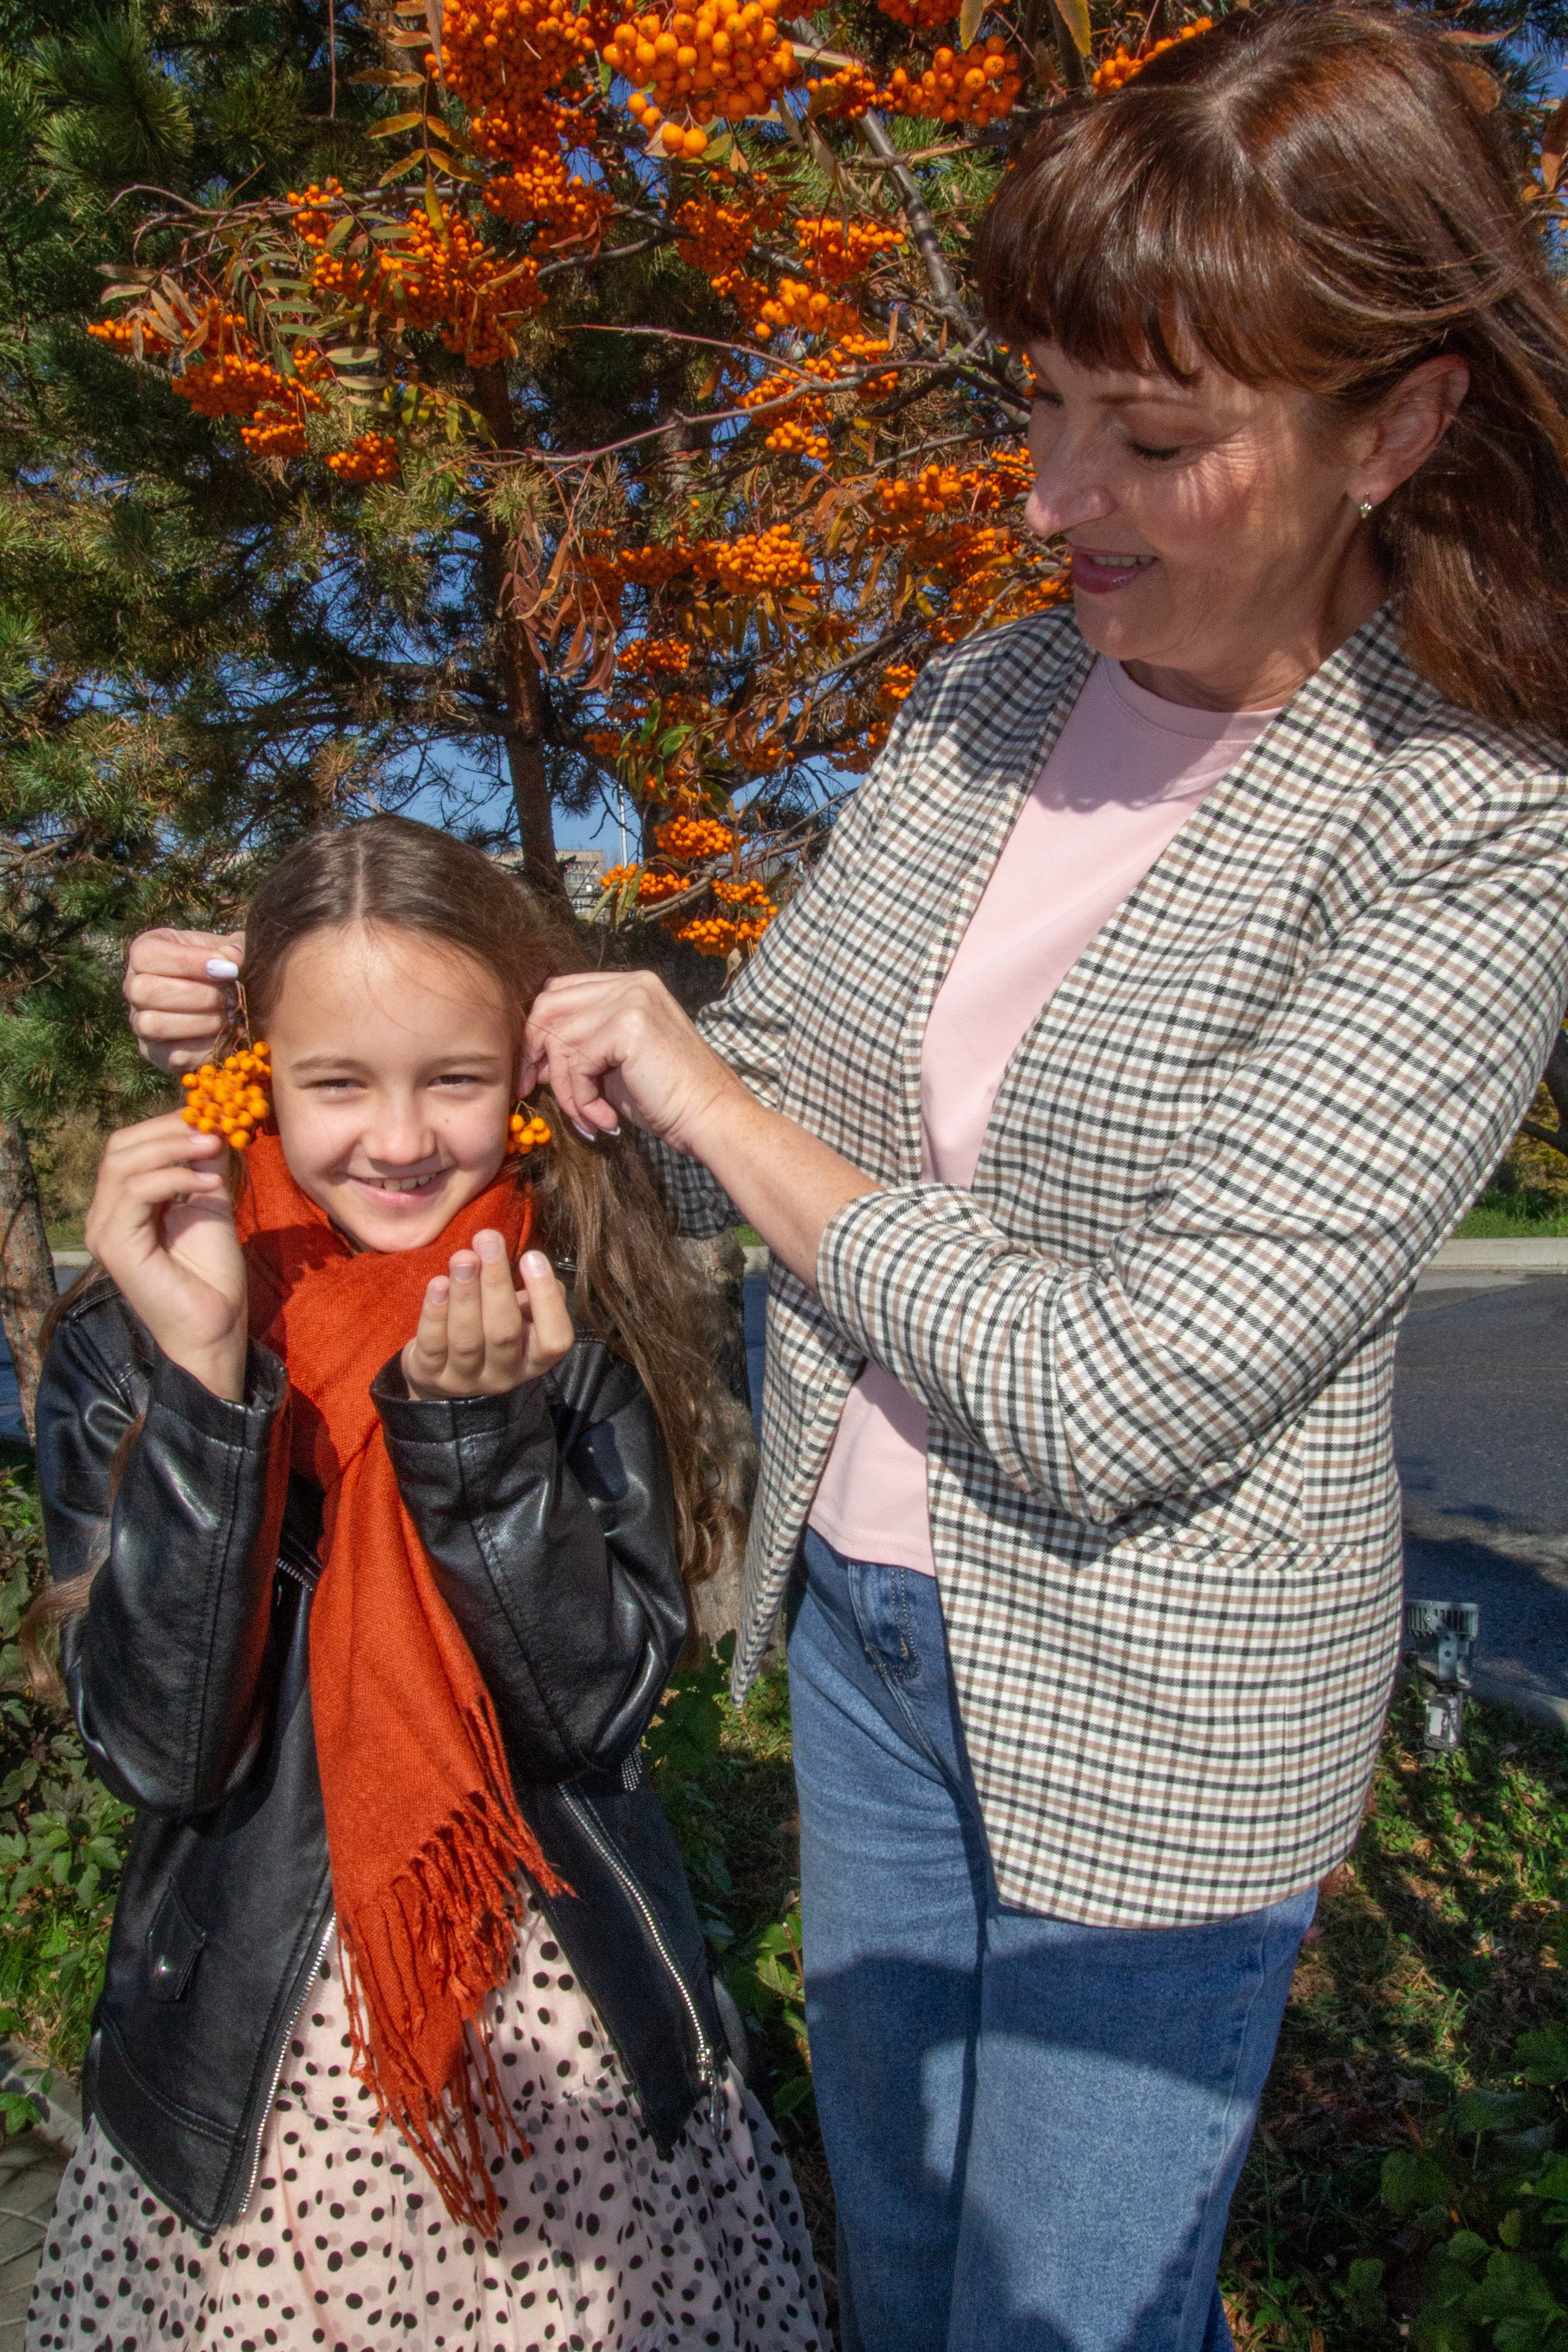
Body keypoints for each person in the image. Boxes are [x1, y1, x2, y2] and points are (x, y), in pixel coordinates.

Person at [122, 6, 1568, 2345]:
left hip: (1162, 1702)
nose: (1049, 499)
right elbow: (751, 1047)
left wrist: (719, 1108)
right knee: (910, 2279)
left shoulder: (1469, 823)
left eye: (1155, 434)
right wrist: (334, 1009)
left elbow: (1119, 1388)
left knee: (1062, 2321)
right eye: (1039, 406)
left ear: (1396, 425)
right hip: (875, 1642)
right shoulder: (1000, 694)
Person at [28, 817, 826, 2352]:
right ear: (254, 1074)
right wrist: (204, 1389)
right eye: (337, 1082)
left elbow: (593, 1715)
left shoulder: (565, 1307)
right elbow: (157, 1750)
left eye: (450, 1080)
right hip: (246, 2072)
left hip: (561, 2026)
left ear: (520, 1082)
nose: (399, 1140)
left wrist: (477, 1448)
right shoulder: (138, 1329)